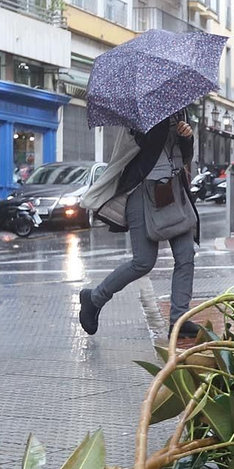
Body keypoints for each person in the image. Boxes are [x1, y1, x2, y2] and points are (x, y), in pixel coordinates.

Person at [78, 111, 199, 345]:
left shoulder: (181, 110)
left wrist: (186, 137)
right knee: (143, 261)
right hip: (142, 193)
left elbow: (185, 157)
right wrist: (158, 123)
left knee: (186, 256)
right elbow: (135, 149)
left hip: (174, 191)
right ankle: (94, 299)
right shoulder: (138, 114)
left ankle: (179, 320)